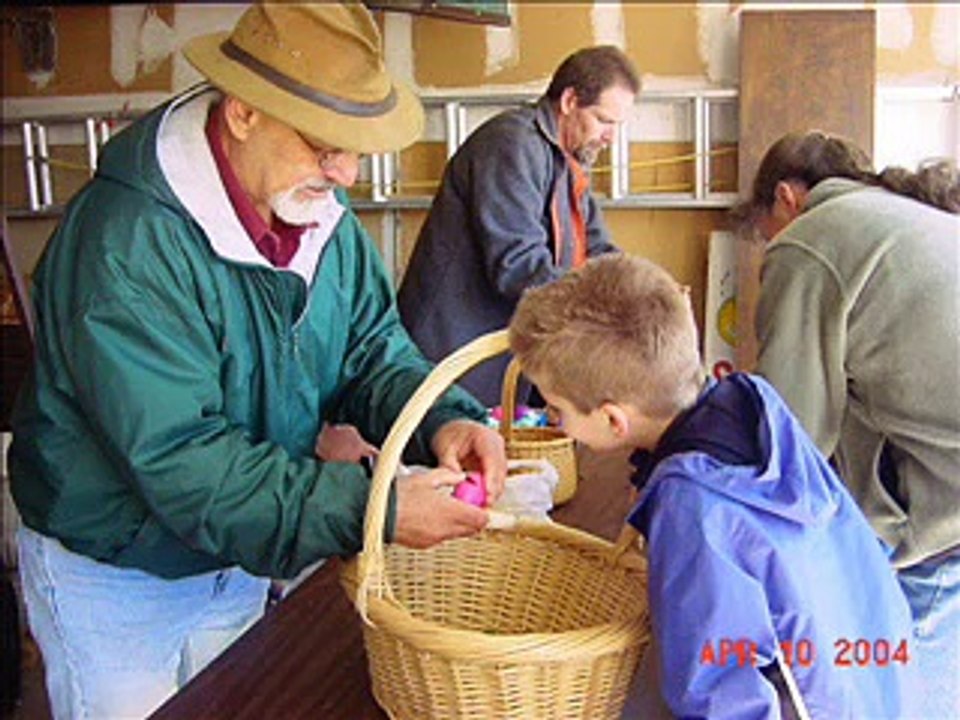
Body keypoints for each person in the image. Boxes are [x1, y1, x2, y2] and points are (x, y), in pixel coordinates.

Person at [8, 4, 507, 718]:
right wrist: (377, 506)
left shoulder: (319, 220)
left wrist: (443, 422)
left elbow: (371, 352)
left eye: (357, 148)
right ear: (241, 112)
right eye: (325, 145)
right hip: (117, 574)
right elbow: (183, 460)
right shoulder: (128, 243)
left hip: (236, 555)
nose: (345, 172)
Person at [508, 254, 914, 718]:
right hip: (874, 681)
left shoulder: (692, 509)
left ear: (612, 419)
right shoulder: (753, 409)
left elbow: (718, 690)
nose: (558, 425)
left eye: (558, 411)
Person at [739, 130, 960, 718]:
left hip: (948, 520)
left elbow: (794, 436)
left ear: (786, 199)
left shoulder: (810, 240)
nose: (769, 250)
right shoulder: (905, 218)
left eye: (765, 235)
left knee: (903, 689)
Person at [397, 45, 639, 406]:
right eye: (604, 121)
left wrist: (643, 291)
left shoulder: (563, 160)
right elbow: (517, 265)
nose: (611, 137)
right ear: (570, 100)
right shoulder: (511, 145)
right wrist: (603, 311)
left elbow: (598, 249)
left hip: (495, 360)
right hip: (451, 359)